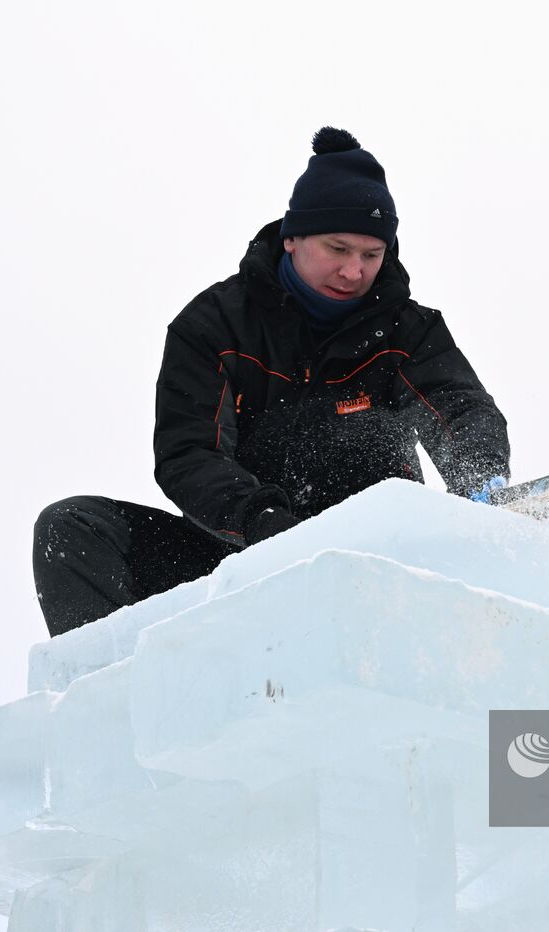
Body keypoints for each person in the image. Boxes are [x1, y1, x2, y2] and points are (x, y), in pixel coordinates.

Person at [33, 127, 510, 637]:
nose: (353, 271)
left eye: (371, 255)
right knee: (71, 528)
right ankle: (118, 702)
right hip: (246, 557)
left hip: (377, 566)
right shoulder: (212, 327)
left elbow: (461, 410)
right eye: (338, 248)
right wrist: (264, 524)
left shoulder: (408, 331)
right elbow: (189, 452)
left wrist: (483, 487)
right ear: (292, 238)